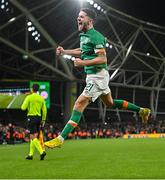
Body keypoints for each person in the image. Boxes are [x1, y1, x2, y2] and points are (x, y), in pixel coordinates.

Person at [44, 8, 151, 148]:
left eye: (81, 17)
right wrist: (65, 51)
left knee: (79, 104)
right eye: (78, 16)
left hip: (98, 77)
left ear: (90, 20)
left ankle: (60, 139)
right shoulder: (84, 35)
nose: (78, 18)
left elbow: (102, 59)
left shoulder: (96, 36)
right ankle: (142, 110)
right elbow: (82, 50)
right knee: (110, 104)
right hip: (94, 76)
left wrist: (83, 63)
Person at [21, 83, 47, 160]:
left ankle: (42, 152)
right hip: (39, 118)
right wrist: (43, 120)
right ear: (38, 89)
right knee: (34, 136)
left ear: (32, 89)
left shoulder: (29, 97)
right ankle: (30, 154)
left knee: (32, 136)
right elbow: (44, 110)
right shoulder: (41, 98)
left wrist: (28, 102)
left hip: (31, 118)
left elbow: (23, 107)